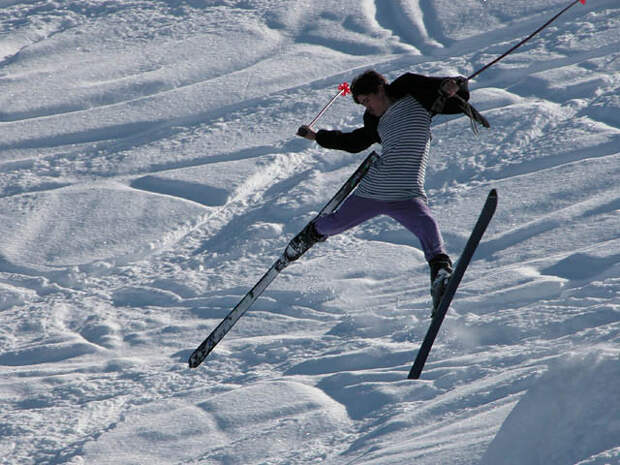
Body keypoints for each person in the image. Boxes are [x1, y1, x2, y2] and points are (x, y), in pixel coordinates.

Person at [294, 69, 475, 314]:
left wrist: (453, 86)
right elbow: (353, 142)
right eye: (362, 104)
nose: (366, 108)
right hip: (376, 188)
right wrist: (318, 136)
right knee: (334, 223)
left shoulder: (413, 93)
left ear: (380, 89)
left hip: (407, 191)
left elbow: (452, 91)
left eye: (367, 100)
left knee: (427, 225)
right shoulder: (375, 122)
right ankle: (309, 235)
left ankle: (440, 274)